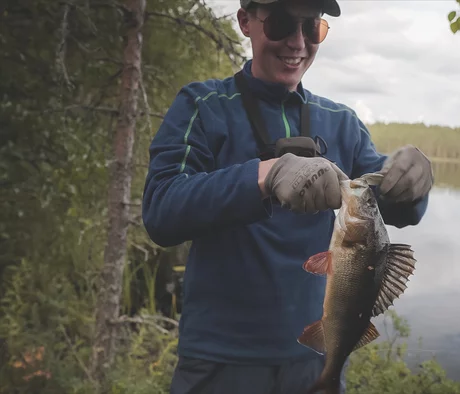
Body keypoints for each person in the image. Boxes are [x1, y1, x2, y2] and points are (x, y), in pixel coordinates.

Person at [141, 0, 434, 392]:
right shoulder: (203, 107)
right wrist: (263, 175)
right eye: (280, 23)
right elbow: (161, 209)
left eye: (312, 27)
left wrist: (413, 182)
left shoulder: (342, 123)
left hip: (315, 361)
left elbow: (390, 205)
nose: (297, 42)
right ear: (246, 21)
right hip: (219, 362)